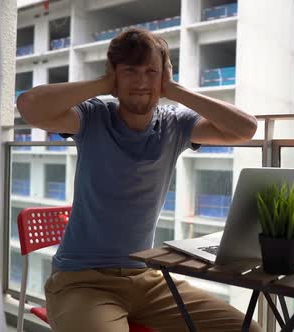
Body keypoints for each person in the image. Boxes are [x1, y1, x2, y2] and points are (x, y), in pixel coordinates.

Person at [17, 28, 260, 332]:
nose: (142, 82)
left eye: (151, 72)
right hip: (81, 280)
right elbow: (29, 106)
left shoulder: (175, 124)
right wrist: (105, 84)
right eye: (130, 71)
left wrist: (174, 90)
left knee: (248, 329)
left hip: (147, 278)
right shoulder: (93, 118)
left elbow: (245, 129)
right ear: (114, 74)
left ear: (163, 76)